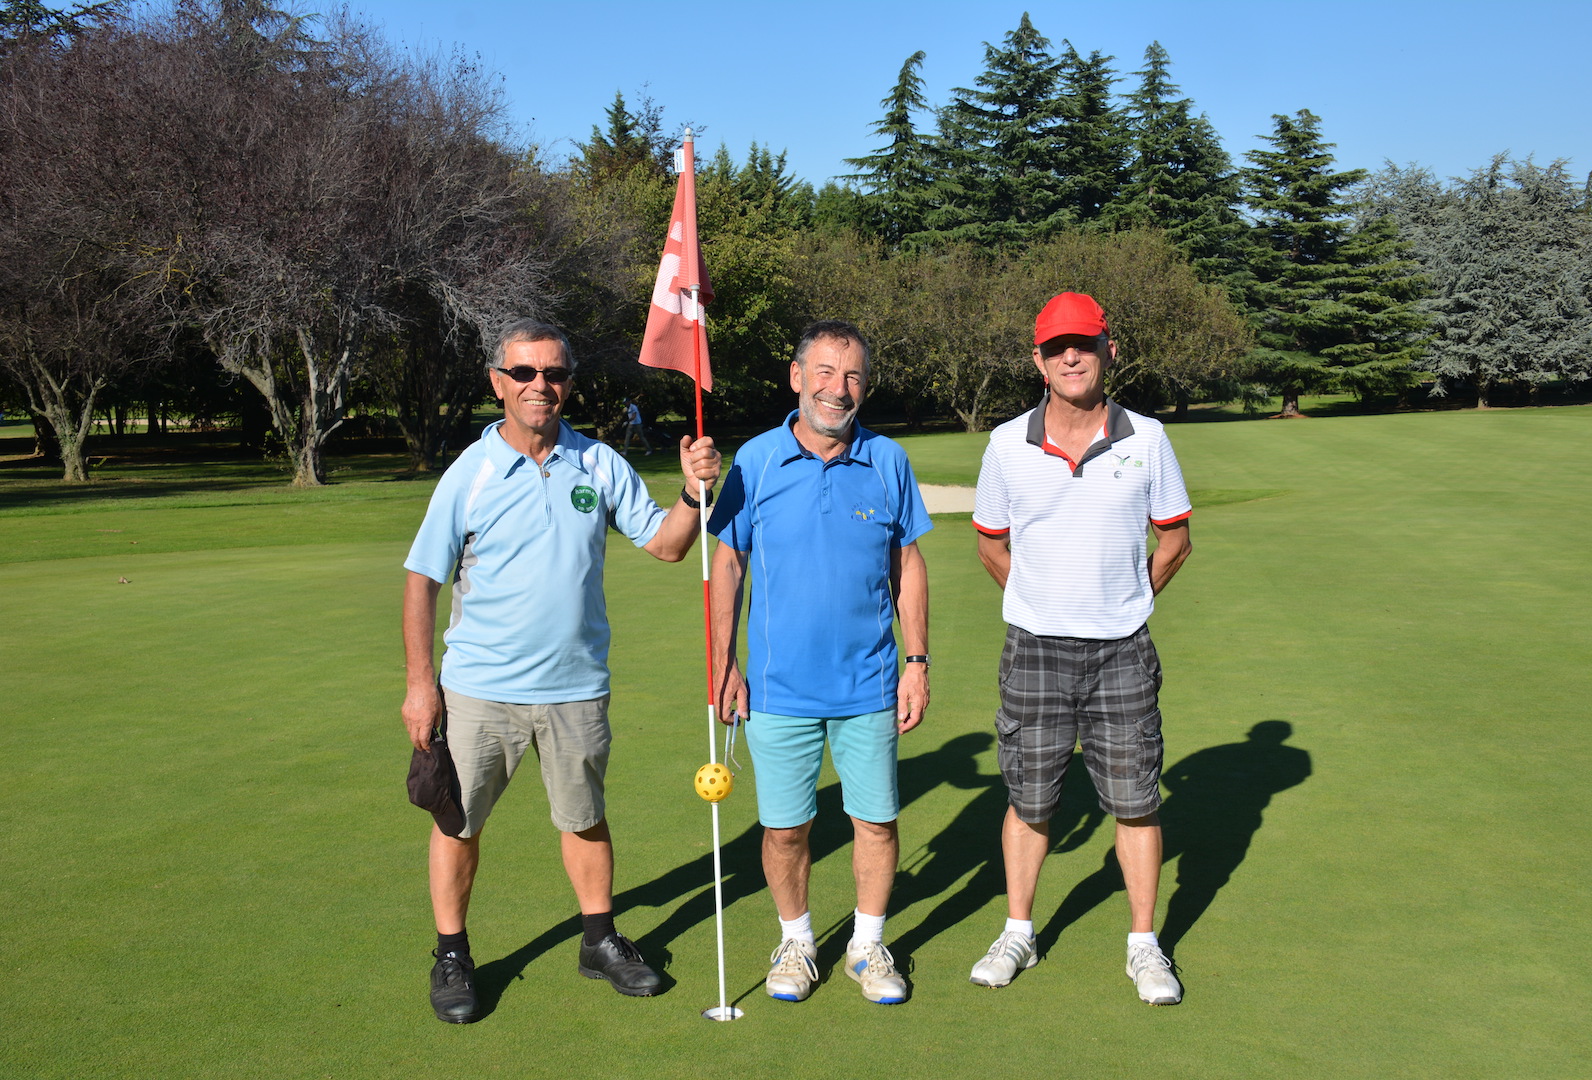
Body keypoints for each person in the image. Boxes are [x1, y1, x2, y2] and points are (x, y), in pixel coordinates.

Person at [400, 318, 720, 1024]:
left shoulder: (598, 464)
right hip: (480, 689)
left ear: (569, 383)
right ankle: (452, 954)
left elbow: (666, 545)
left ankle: (599, 941)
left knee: (585, 818)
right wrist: (422, 684)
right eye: (524, 373)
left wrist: (695, 494)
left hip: (575, 687)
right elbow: (422, 579)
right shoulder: (471, 473)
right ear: (497, 382)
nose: (539, 385)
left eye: (553, 373)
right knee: (458, 824)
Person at [968, 291, 1193, 1006]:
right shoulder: (1007, 443)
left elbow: (1175, 539)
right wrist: (1043, 600)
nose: (1073, 356)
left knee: (1134, 800)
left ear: (1109, 352)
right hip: (1033, 648)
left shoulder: (1148, 439)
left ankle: (1143, 944)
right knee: (1030, 798)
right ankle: (1019, 931)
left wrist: (1126, 600)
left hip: (1122, 650)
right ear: (1037, 359)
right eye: (1058, 346)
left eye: (1086, 344)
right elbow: (990, 544)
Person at [708, 320, 932, 1006]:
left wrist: (917, 660)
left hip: (869, 682)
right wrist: (723, 664)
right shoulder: (756, 460)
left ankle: (866, 945)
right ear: (797, 376)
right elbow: (728, 563)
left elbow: (908, 564)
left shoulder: (888, 460)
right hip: (777, 689)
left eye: (855, 375)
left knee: (876, 821)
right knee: (784, 828)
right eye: (827, 372)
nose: (841, 389)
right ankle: (798, 941)